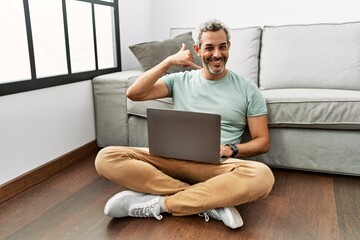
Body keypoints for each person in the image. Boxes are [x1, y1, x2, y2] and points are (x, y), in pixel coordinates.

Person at [95, 19, 275, 229]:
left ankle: (162, 204)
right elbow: (133, 93)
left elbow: (262, 142)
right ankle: (209, 201)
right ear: (197, 50)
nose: (217, 54)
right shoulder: (180, 80)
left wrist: (230, 149)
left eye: (222, 47)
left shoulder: (247, 88)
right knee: (106, 157)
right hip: (171, 160)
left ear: (229, 47)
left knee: (263, 176)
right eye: (209, 47)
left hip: (217, 166)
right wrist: (168, 62)